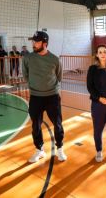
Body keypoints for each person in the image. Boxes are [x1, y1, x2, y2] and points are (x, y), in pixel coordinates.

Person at [23, 31, 67, 163]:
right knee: (35, 125)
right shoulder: (28, 58)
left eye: (36, 42)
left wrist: (49, 87)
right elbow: (26, 74)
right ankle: (39, 150)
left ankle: (60, 149)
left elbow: (59, 76)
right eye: (33, 42)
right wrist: (34, 85)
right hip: (35, 97)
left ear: (45, 43)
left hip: (52, 97)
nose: (34, 44)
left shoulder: (54, 59)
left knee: (58, 124)